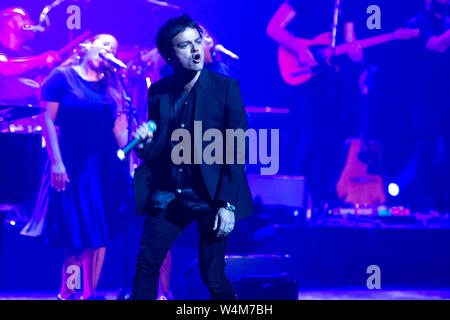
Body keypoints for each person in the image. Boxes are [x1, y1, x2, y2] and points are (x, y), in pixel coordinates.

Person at [131, 14, 253, 300]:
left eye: (198, 42)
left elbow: (236, 150)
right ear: (169, 55)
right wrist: (142, 144)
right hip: (170, 193)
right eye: (185, 46)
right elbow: (155, 151)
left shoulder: (226, 88)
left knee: (211, 273)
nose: (197, 50)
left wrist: (227, 205)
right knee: (146, 264)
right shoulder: (158, 92)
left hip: (211, 195)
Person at [37, 34, 129, 300]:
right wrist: (56, 162)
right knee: (75, 236)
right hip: (70, 165)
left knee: (97, 235)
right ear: (88, 47)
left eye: (114, 48)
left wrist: (140, 141)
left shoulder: (113, 88)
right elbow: (48, 120)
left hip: (103, 169)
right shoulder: (62, 77)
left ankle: (85, 295)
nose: (109, 50)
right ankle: (68, 293)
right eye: (104, 44)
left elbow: (120, 134)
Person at [266, 0, 364, 207]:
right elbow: (273, 28)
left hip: (334, 79)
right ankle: (299, 200)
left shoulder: (347, 5)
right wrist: (301, 48)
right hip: (307, 77)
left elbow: (349, 41)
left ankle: (323, 199)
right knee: (311, 136)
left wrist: (357, 54)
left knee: (332, 137)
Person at [408, 0, 450, 214]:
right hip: (425, 97)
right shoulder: (416, 23)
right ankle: (422, 204)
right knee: (428, 147)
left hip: (446, 96)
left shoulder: (446, 22)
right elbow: (436, 45)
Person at [0, 7, 60, 105]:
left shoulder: (27, 52)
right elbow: (4, 67)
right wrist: (41, 59)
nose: (31, 22)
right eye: (24, 18)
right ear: (9, 22)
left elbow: (38, 83)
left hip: (24, 115)